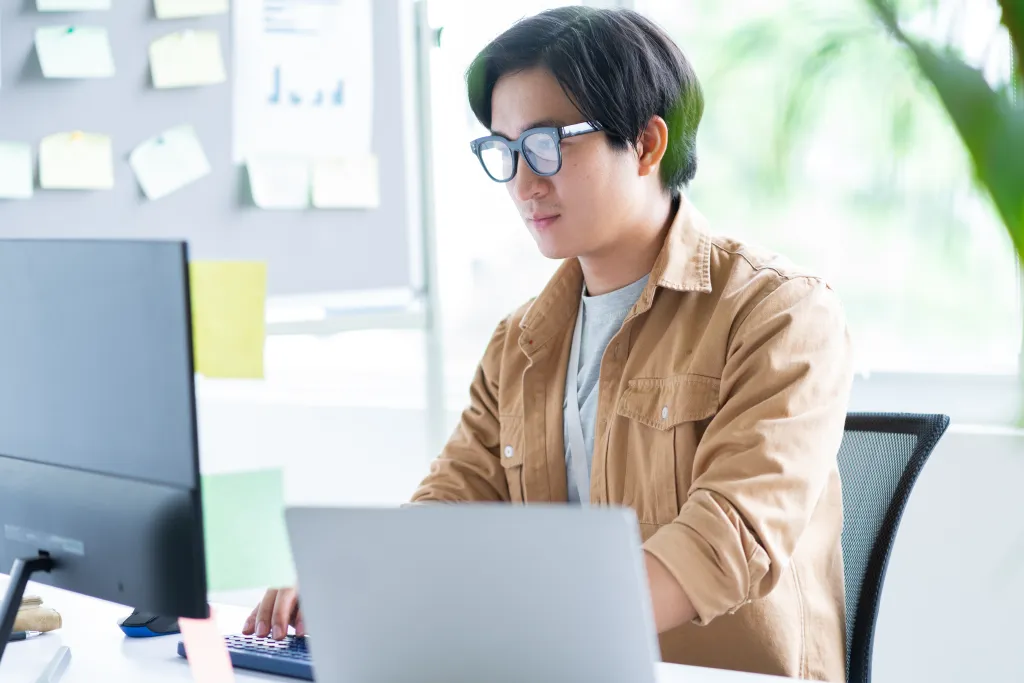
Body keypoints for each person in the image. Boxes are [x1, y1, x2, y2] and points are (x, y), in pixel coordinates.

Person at [244, 7, 853, 681]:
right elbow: (450, 507)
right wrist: (352, 587)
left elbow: (727, 539)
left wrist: (521, 622)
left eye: (546, 144)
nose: (523, 183)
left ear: (648, 144)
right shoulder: (522, 342)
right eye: (504, 152)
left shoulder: (779, 312)